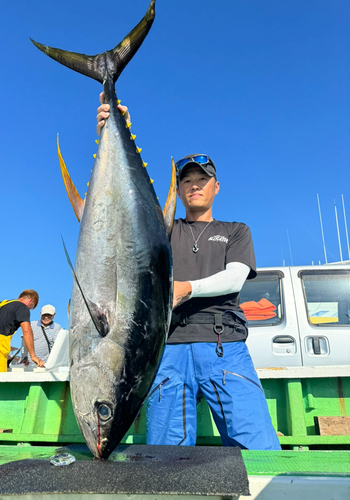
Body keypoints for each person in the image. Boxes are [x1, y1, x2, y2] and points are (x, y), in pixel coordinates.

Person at [96, 95, 281, 450]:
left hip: (223, 345)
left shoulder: (235, 230)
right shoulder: (163, 230)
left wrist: (187, 288)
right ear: (178, 190)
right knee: (167, 454)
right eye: (187, 181)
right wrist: (114, 128)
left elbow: (235, 277)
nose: (194, 184)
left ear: (216, 186)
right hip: (167, 348)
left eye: (202, 178)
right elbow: (124, 208)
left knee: (258, 448)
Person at [0, 290, 45, 373]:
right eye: (31, 307)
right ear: (31, 300)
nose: (29, 309)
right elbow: (27, 330)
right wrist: (33, 356)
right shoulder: (22, 307)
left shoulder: (0, 304)